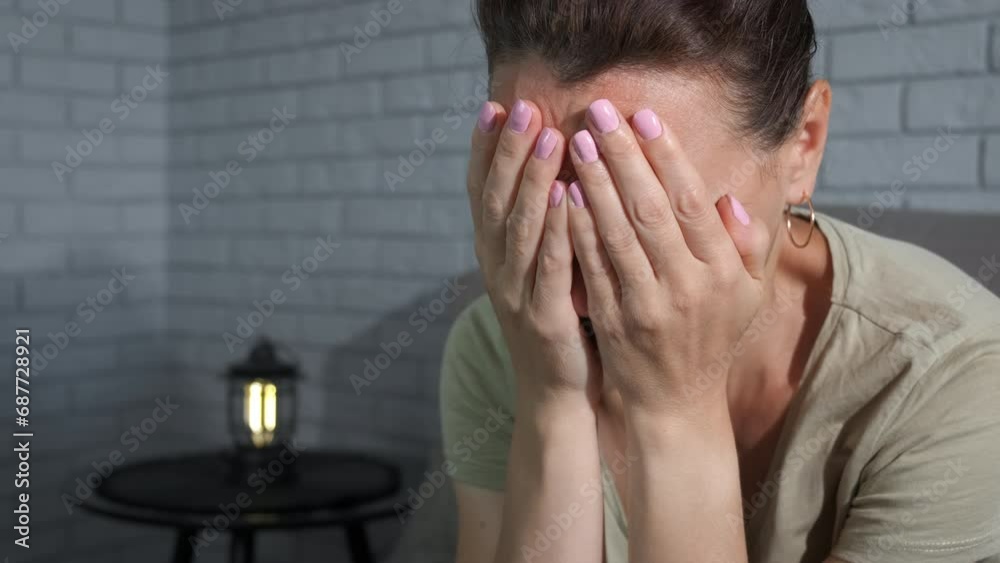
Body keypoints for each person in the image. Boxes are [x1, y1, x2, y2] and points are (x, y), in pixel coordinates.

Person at [439, 1, 1000, 561]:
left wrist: (675, 411)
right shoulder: (498, 345)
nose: (580, 277)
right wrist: (551, 402)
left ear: (803, 145)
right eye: (544, 195)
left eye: (646, 209)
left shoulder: (955, 376)